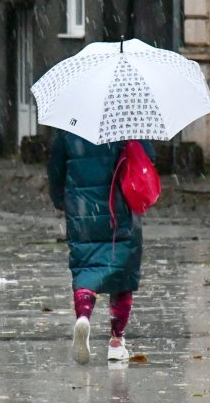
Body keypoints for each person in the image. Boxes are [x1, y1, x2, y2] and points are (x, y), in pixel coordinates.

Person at [46, 130, 154, 365]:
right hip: (121, 206)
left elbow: (55, 168)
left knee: (86, 268)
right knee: (122, 272)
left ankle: (84, 316)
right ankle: (116, 341)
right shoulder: (127, 121)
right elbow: (147, 158)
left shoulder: (70, 125)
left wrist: (60, 199)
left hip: (82, 210)